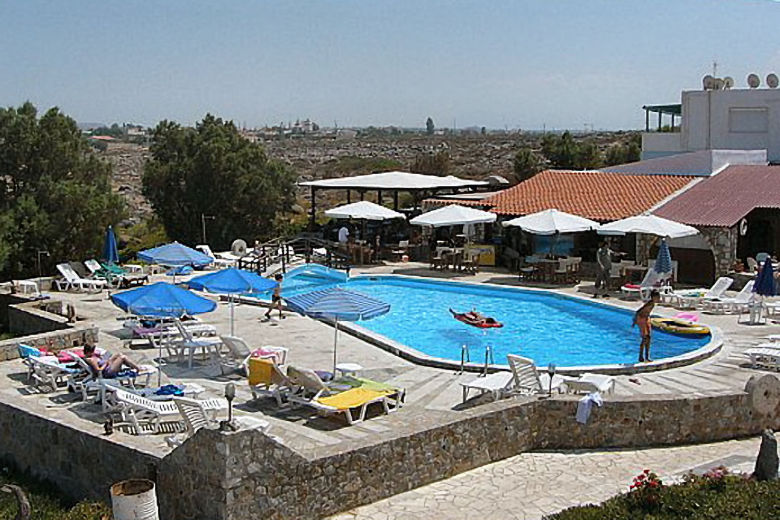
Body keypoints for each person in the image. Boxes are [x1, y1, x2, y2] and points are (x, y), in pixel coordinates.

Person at [632, 290, 660, 363]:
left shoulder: (653, 304)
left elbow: (647, 312)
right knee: (645, 338)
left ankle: (647, 356)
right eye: (657, 297)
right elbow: (638, 311)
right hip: (641, 319)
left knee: (649, 337)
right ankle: (641, 356)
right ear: (653, 297)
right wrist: (635, 321)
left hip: (646, 318)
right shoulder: (649, 304)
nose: (659, 298)